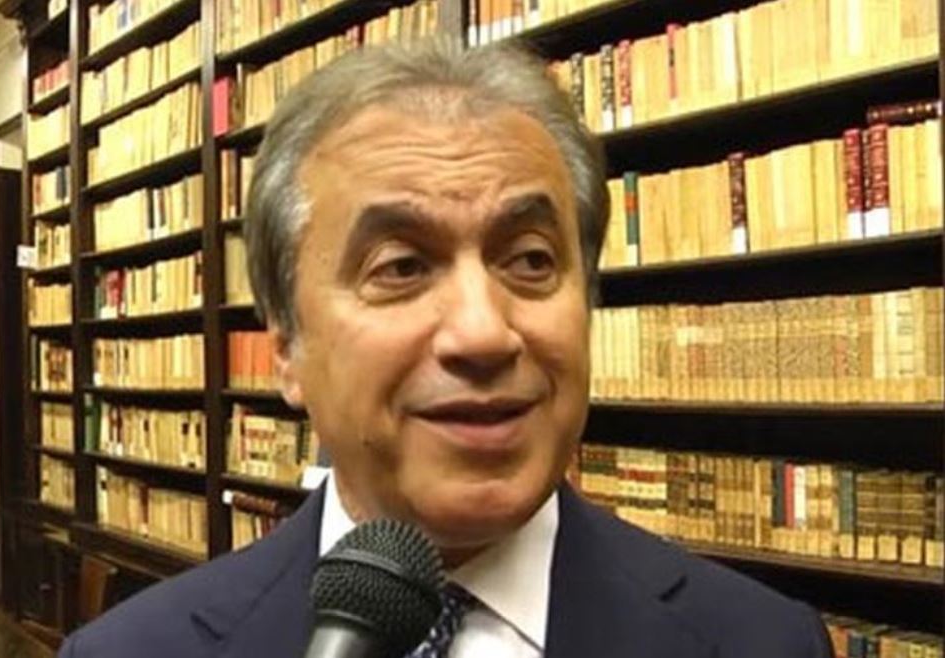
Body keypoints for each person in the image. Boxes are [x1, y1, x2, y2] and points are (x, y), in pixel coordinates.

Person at [58, 38, 833, 658]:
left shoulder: (765, 644)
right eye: (400, 267)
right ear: (286, 347)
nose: (483, 333)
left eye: (530, 260)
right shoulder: (129, 652)